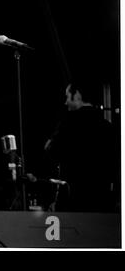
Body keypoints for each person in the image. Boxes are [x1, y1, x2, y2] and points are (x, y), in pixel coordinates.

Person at [42, 81, 119, 212]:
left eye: (67, 97)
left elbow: (50, 150)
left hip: (72, 200)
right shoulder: (108, 127)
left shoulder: (68, 124)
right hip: (101, 201)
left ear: (77, 95)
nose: (65, 102)